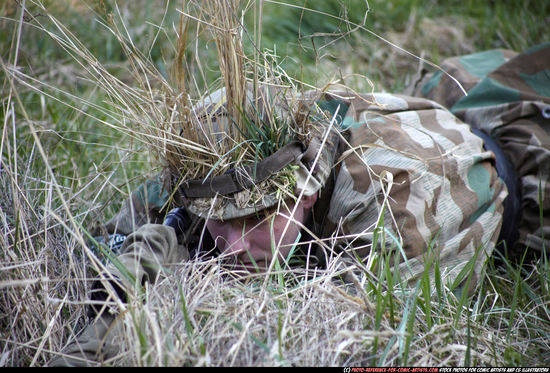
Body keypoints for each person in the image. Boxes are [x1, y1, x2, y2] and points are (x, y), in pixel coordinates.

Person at [49, 43, 550, 366]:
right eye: (218, 222)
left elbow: (341, 347)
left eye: (256, 217)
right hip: (449, 96)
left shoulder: (392, 213)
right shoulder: (268, 135)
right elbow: (143, 221)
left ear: (308, 188)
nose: (232, 245)